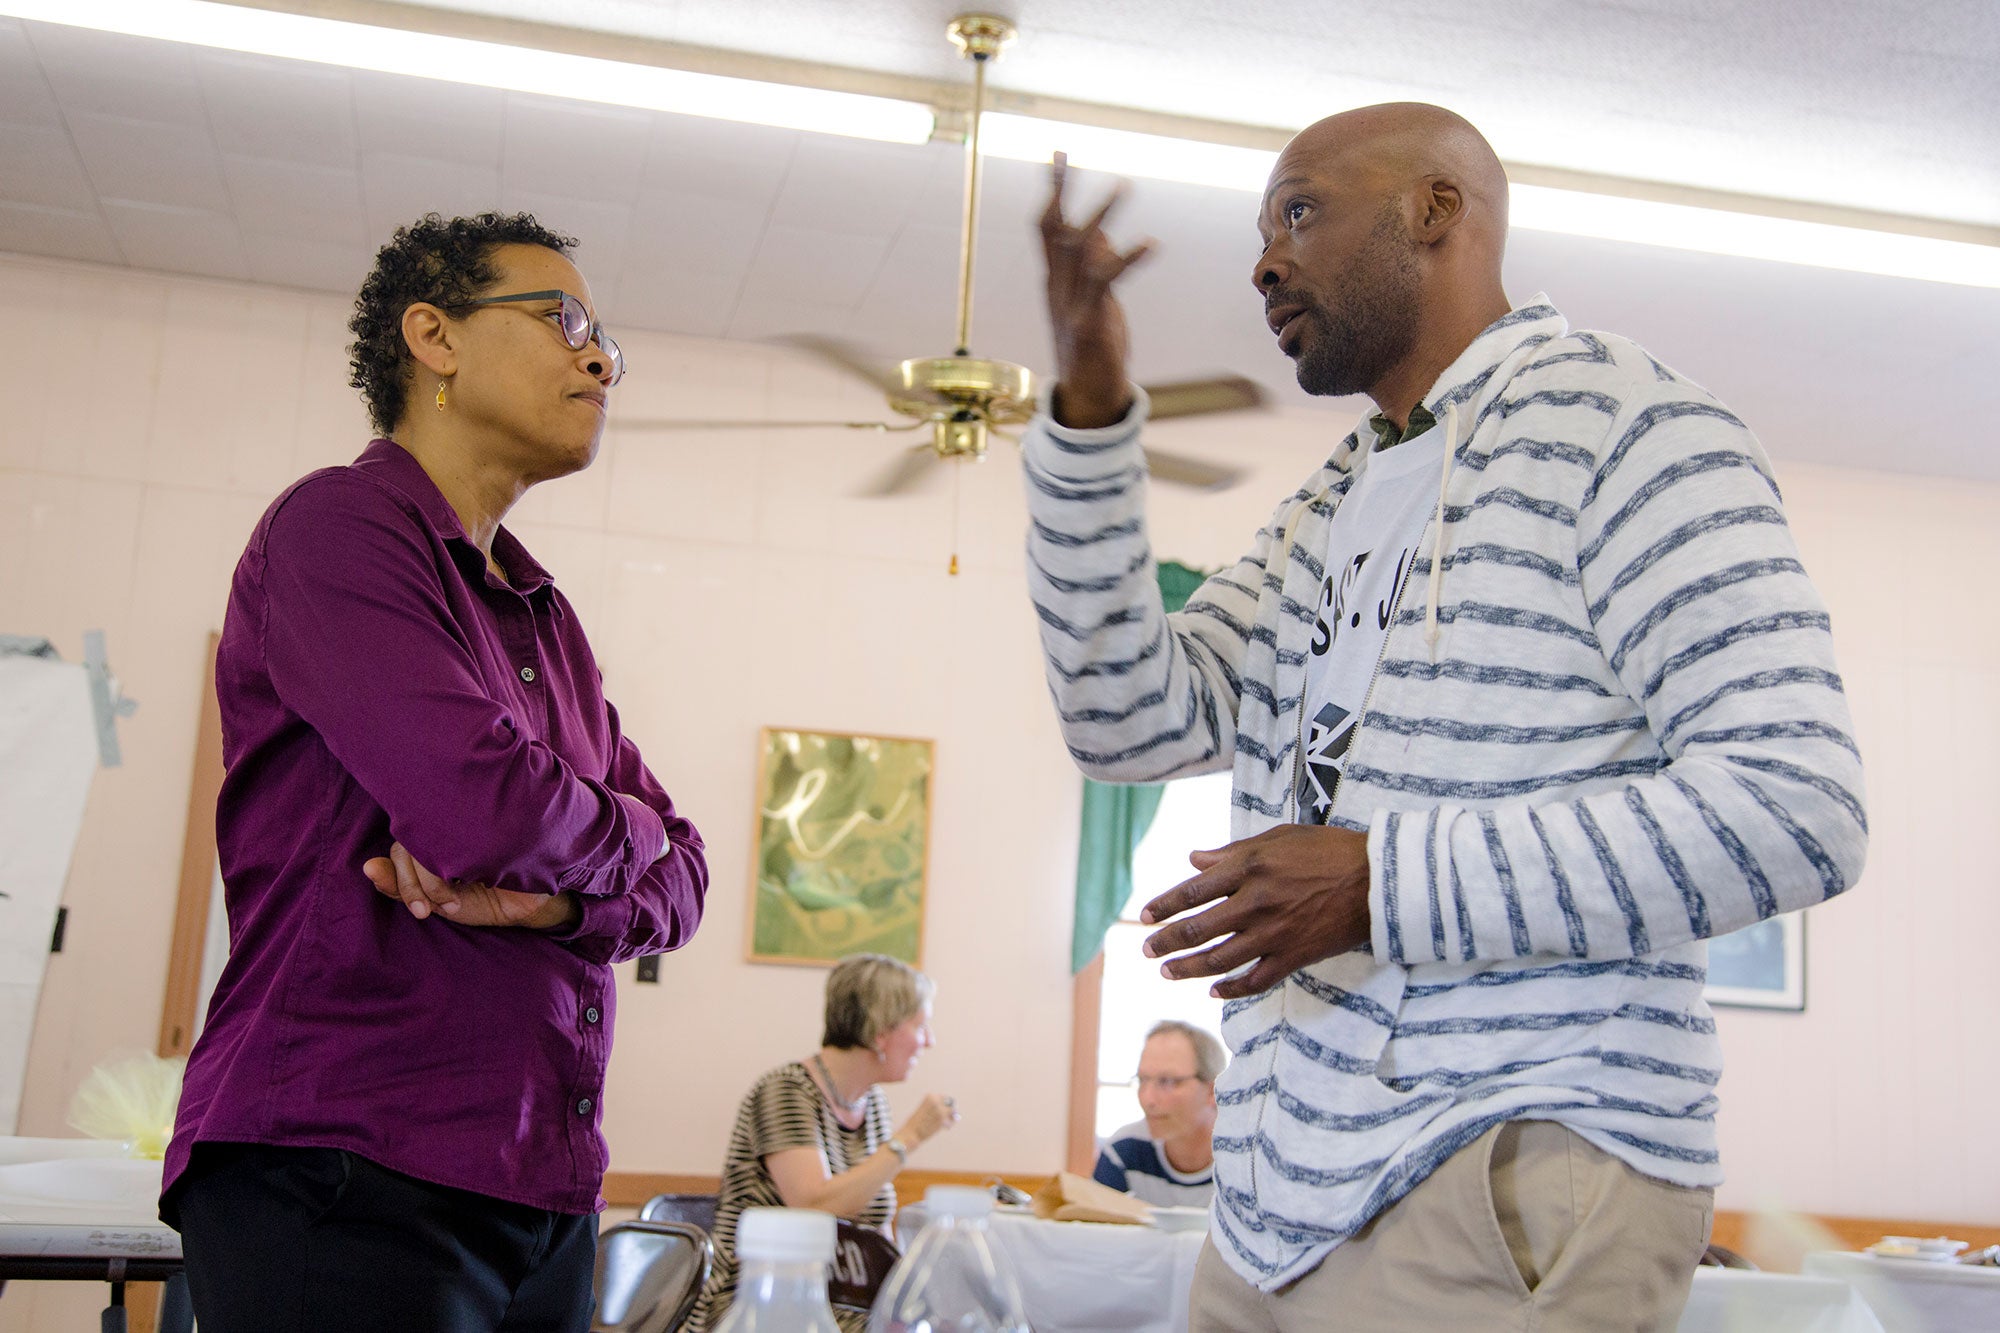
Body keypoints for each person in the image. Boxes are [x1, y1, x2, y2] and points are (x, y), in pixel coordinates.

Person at [1025, 104, 1866, 1331]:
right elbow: (1126, 721)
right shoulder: (1332, 501)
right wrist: (1091, 423)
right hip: (1270, 1204)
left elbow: (1799, 806)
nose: (1262, 259)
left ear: (1434, 212)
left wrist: (1381, 883)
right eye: (1260, 229)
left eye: (1299, 212)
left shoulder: (1628, 426)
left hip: (1503, 1160)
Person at [159, 212, 709, 1332]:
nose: (597, 358)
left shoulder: (546, 619)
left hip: (540, 1184)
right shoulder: (338, 528)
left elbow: (687, 879)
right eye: (561, 321)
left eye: (603, 337)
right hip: (346, 1164)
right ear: (433, 336)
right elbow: (482, 803)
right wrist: (628, 834)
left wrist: (559, 894)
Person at [690, 954, 959, 1333]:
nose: (928, 1041)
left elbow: (873, 1231)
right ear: (881, 1030)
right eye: (921, 1025)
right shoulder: (785, 1090)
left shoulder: (873, 1103)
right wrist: (910, 1137)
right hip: (764, 1300)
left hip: (847, 1305)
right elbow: (815, 1206)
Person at [1093, 1019, 1224, 1207]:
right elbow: (1097, 1232)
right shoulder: (1123, 1152)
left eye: (1167, 1082)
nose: (1148, 1100)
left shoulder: (1250, 1160)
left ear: (1212, 1090)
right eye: (1142, 1080)